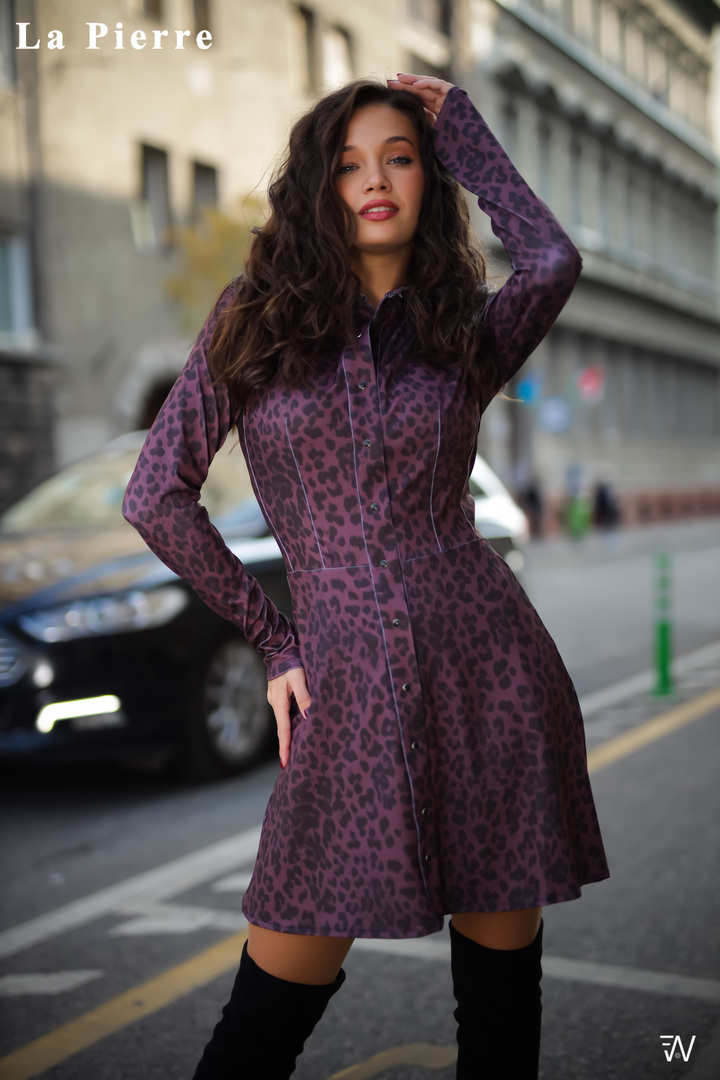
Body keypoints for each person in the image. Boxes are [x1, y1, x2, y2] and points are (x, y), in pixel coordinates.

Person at [123, 73, 610, 1080]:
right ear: (319, 187)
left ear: (430, 178)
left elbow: (553, 259)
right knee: (263, 1020)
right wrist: (274, 640)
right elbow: (155, 494)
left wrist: (463, 130)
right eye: (348, 165)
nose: (376, 181)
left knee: (500, 1016)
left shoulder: (463, 332)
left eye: (400, 158)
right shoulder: (254, 319)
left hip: (487, 674)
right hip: (343, 691)